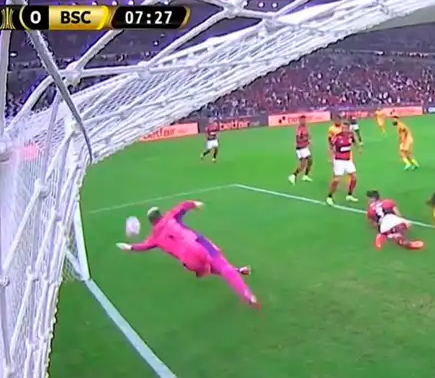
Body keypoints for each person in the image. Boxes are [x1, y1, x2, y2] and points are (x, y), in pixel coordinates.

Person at [116, 201, 259, 309]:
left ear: (152, 223)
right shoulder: (170, 216)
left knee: (210, 268)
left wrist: (129, 247)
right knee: (222, 266)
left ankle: (238, 271)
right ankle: (247, 295)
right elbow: (183, 205)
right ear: (161, 214)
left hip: (189, 261)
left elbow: (143, 246)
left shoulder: (154, 237)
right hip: (197, 244)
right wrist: (195, 204)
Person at [327, 122, 358, 206]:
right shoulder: (337, 136)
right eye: (343, 128)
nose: (344, 129)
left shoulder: (350, 135)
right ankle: (330, 196)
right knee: (336, 180)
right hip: (339, 160)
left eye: (346, 128)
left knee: (354, 178)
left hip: (347, 160)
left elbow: (354, 141)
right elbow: (331, 146)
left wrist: (358, 148)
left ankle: (349, 195)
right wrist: (330, 157)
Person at [288, 115, 313, 184]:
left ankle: (304, 176)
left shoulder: (306, 127)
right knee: (303, 164)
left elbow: (308, 135)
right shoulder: (299, 129)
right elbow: (298, 140)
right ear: (300, 121)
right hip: (301, 148)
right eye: (302, 120)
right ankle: (293, 175)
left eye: (304, 120)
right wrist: (307, 139)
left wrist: (308, 139)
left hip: (304, 148)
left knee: (309, 161)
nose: (304, 121)